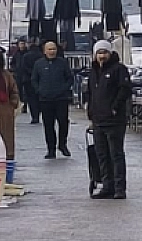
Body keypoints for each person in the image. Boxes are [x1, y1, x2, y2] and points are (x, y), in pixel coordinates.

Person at [86, 39, 132, 199]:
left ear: (110, 53)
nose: (101, 56)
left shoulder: (119, 69)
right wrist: (90, 113)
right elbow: (91, 94)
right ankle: (107, 186)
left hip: (114, 121)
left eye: (104, 52)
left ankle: (120, 188)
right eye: (99, 53)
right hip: (98, 120)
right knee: (102, 155)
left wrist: (114, 108)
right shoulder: (93, 72)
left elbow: (125, 90)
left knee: (116, 154)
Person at [30, 41, 75, 159]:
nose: (52, 51)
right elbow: (34, 79)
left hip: (61, 99)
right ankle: (51, 149)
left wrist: (63, 89)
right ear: (44, 51)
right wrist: (39, 90)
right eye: (49, 49)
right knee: (48, 125)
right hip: (45, 99)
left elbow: (70, 78)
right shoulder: (39, 64)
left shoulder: (62, 63)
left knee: (63, 122)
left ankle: (62, 144)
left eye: (54, 49)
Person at [13, 38, 40, 124]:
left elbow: (23, 66)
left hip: (26, 78)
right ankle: (36, 114)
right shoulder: (41, 55)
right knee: (36, 97)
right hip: (36, 79)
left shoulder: (26, 56)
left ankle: (33, 115)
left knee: (30, 97)